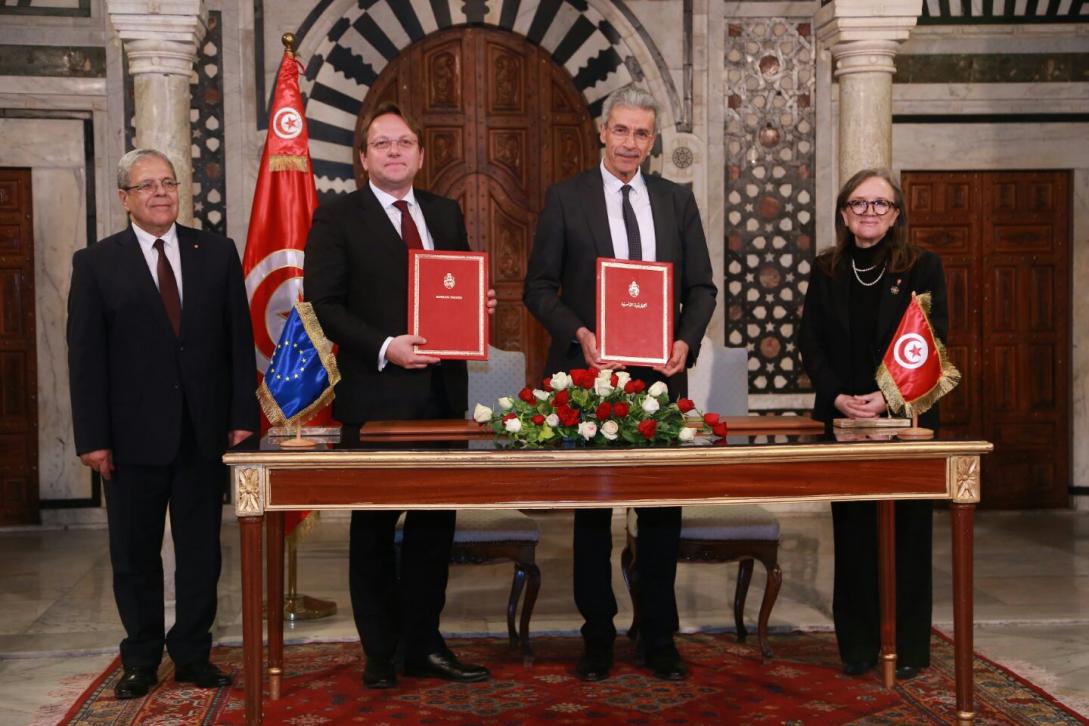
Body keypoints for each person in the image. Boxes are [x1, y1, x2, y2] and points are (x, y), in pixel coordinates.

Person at [523, 85, 717, 681]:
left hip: (660, 378)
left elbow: (702, 288)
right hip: (589, 378)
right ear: (603, 133)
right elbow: (538, 288)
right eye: (623, 131)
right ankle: (597, 635)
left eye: (643, 134)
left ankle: (658, 634)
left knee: (661, 513)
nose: (632, 143)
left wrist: (685, 340)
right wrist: (580, 333)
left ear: (652, 142)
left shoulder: (676, 200)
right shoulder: (565, 199)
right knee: (591, 516)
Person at [304, 101, 495, 689]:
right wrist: (388, 345)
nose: (394, 152)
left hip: (442, 398)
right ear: (364, 158)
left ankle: (425, 645)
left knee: (435, 531)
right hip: (378, 397)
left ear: (418, 153)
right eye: (382, 144)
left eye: (404, 143)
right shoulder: (337, 217)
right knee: (374, 531)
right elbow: (324, 305)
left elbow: (455, 287)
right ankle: (380, 652)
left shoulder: (443, 210)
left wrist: (478, 310)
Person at [67, 148, 258, 699]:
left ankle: (194, 654)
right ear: (125, 197)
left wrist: (242, 416)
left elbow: (238, 344)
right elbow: (85, 358)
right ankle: (142, 658)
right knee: (134, 556)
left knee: (201, 552)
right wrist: (93, 439)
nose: (160, 193)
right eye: (146, 185)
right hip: (130, 441)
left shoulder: (216, 253)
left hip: (204, 433)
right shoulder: (97, 262)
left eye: (169, 183)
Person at [799, 168, 948, 681]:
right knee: (855, 532)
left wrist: (885, 399)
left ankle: (908, 647)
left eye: (880, 204)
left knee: (908, 533)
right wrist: (838, 396)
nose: (869, 212)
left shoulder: (922, 267)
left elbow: (930, 339)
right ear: (843, 213)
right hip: (844, 419)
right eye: (858, 204)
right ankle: (858, 647)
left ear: (896, 214)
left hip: (903, 418)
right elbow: (810, 341)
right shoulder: (827, 268)